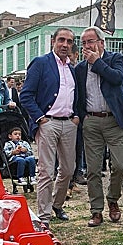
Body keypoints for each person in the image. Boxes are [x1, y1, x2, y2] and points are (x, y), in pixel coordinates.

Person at [19, 27, 79, 226]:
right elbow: (25, 95)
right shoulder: (41, 63)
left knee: (69, 169)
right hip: (48, 123)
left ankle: (57, 204)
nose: (65, 45)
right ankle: (43, 217)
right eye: (61, 40)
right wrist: (39, 118)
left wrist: (76, 116)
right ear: (53, 41)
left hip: (69, 123)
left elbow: (76, 96)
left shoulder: (72, 68)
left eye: (69, 41)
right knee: (46, 171)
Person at [74, 27, 123, 226]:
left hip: (114, 120)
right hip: (91, 121)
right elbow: (78, 95)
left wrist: (96, 62)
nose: (87, 46)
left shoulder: (115, 58)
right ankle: (96, 210)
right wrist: (80, 117)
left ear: (101, 43)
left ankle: (113, 199)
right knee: (93, 169)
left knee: (119, 165)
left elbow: (116, 79)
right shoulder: (80, 68)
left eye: (90, 41)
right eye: (83, 43)